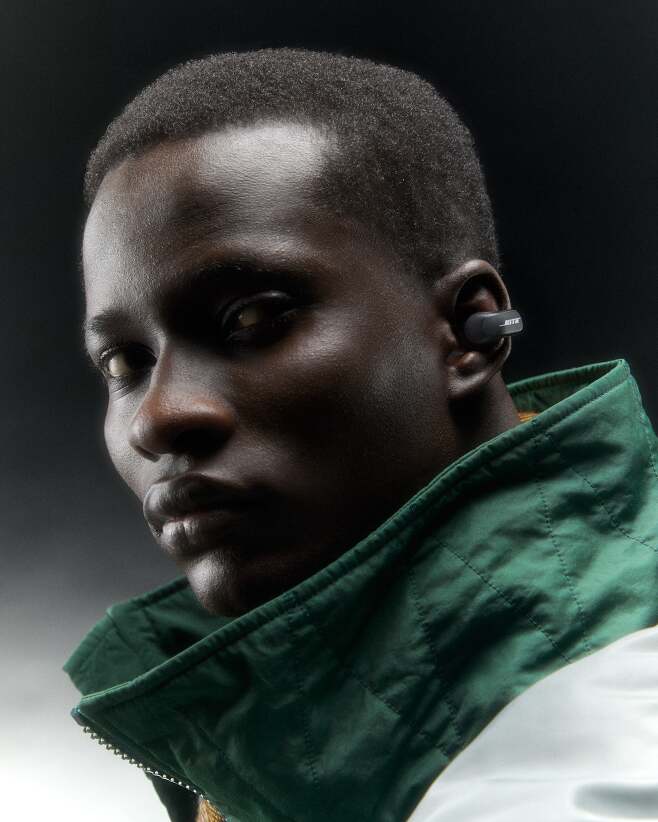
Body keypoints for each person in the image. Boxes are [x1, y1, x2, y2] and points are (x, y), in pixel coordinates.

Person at [64, 47, 658, 822]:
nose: (155, 418)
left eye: (253, 317)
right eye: (124, 363)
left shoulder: (596, 761)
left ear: (466, 332)